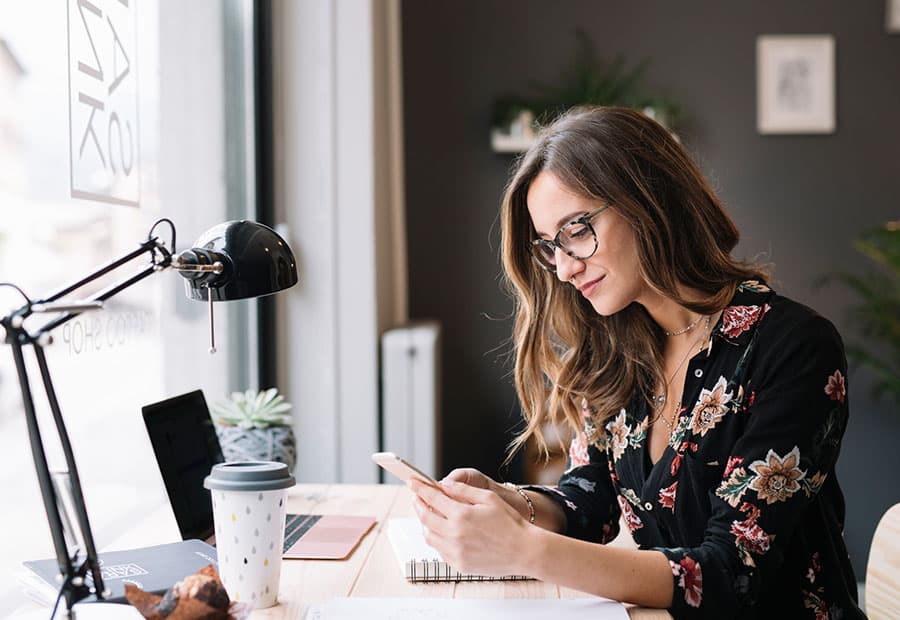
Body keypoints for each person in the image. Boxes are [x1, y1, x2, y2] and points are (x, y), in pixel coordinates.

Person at [408, 106, 865, 619]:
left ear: (648, 199)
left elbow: (730, 575)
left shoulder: (794, 347)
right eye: (549, 246)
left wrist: (521, 547)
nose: (563, 268)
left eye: (576, 231)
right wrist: (516, 505)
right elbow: (592, 502)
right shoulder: (613, 350)